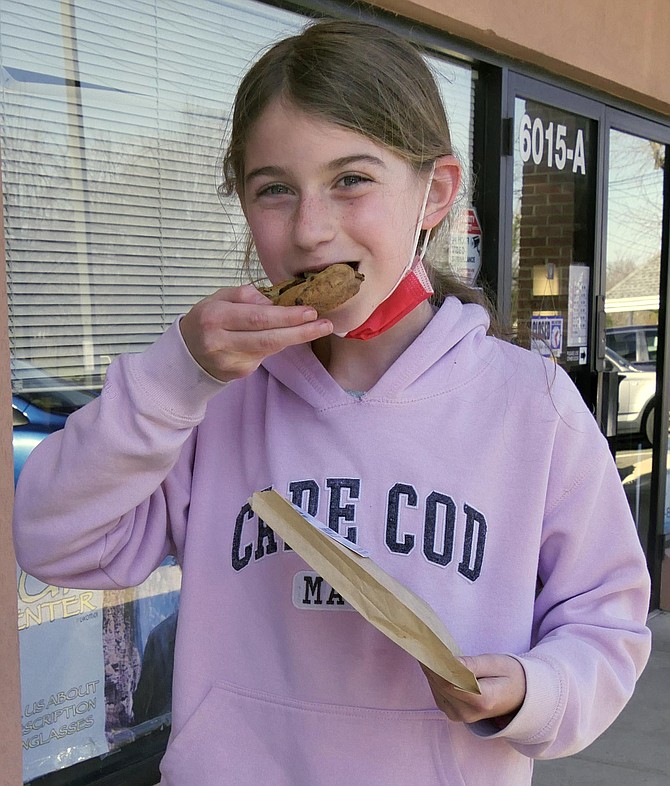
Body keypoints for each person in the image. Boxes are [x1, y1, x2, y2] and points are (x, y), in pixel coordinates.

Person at [13, 18, 651, 786]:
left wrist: (536, 691)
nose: (312, 231)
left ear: (435, 192)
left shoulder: (530, 406)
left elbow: (605, 623)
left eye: (351, 179)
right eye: (275, 189)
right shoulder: (215, 402)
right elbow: (55, 540)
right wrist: (177, 374)